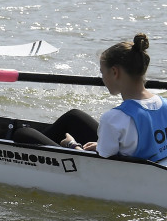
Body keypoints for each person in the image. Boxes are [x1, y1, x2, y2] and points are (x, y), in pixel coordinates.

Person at [14, 34, 167, 160]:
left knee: (23, 134)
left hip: (122, 176)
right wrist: (101, 146)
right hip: (150, 164)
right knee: (73, 117)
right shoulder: (165, 104)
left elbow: (97, 166)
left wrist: (72, 146)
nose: (102, 78)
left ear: (115, 72)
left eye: (102, 72)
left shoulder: (114, 118)